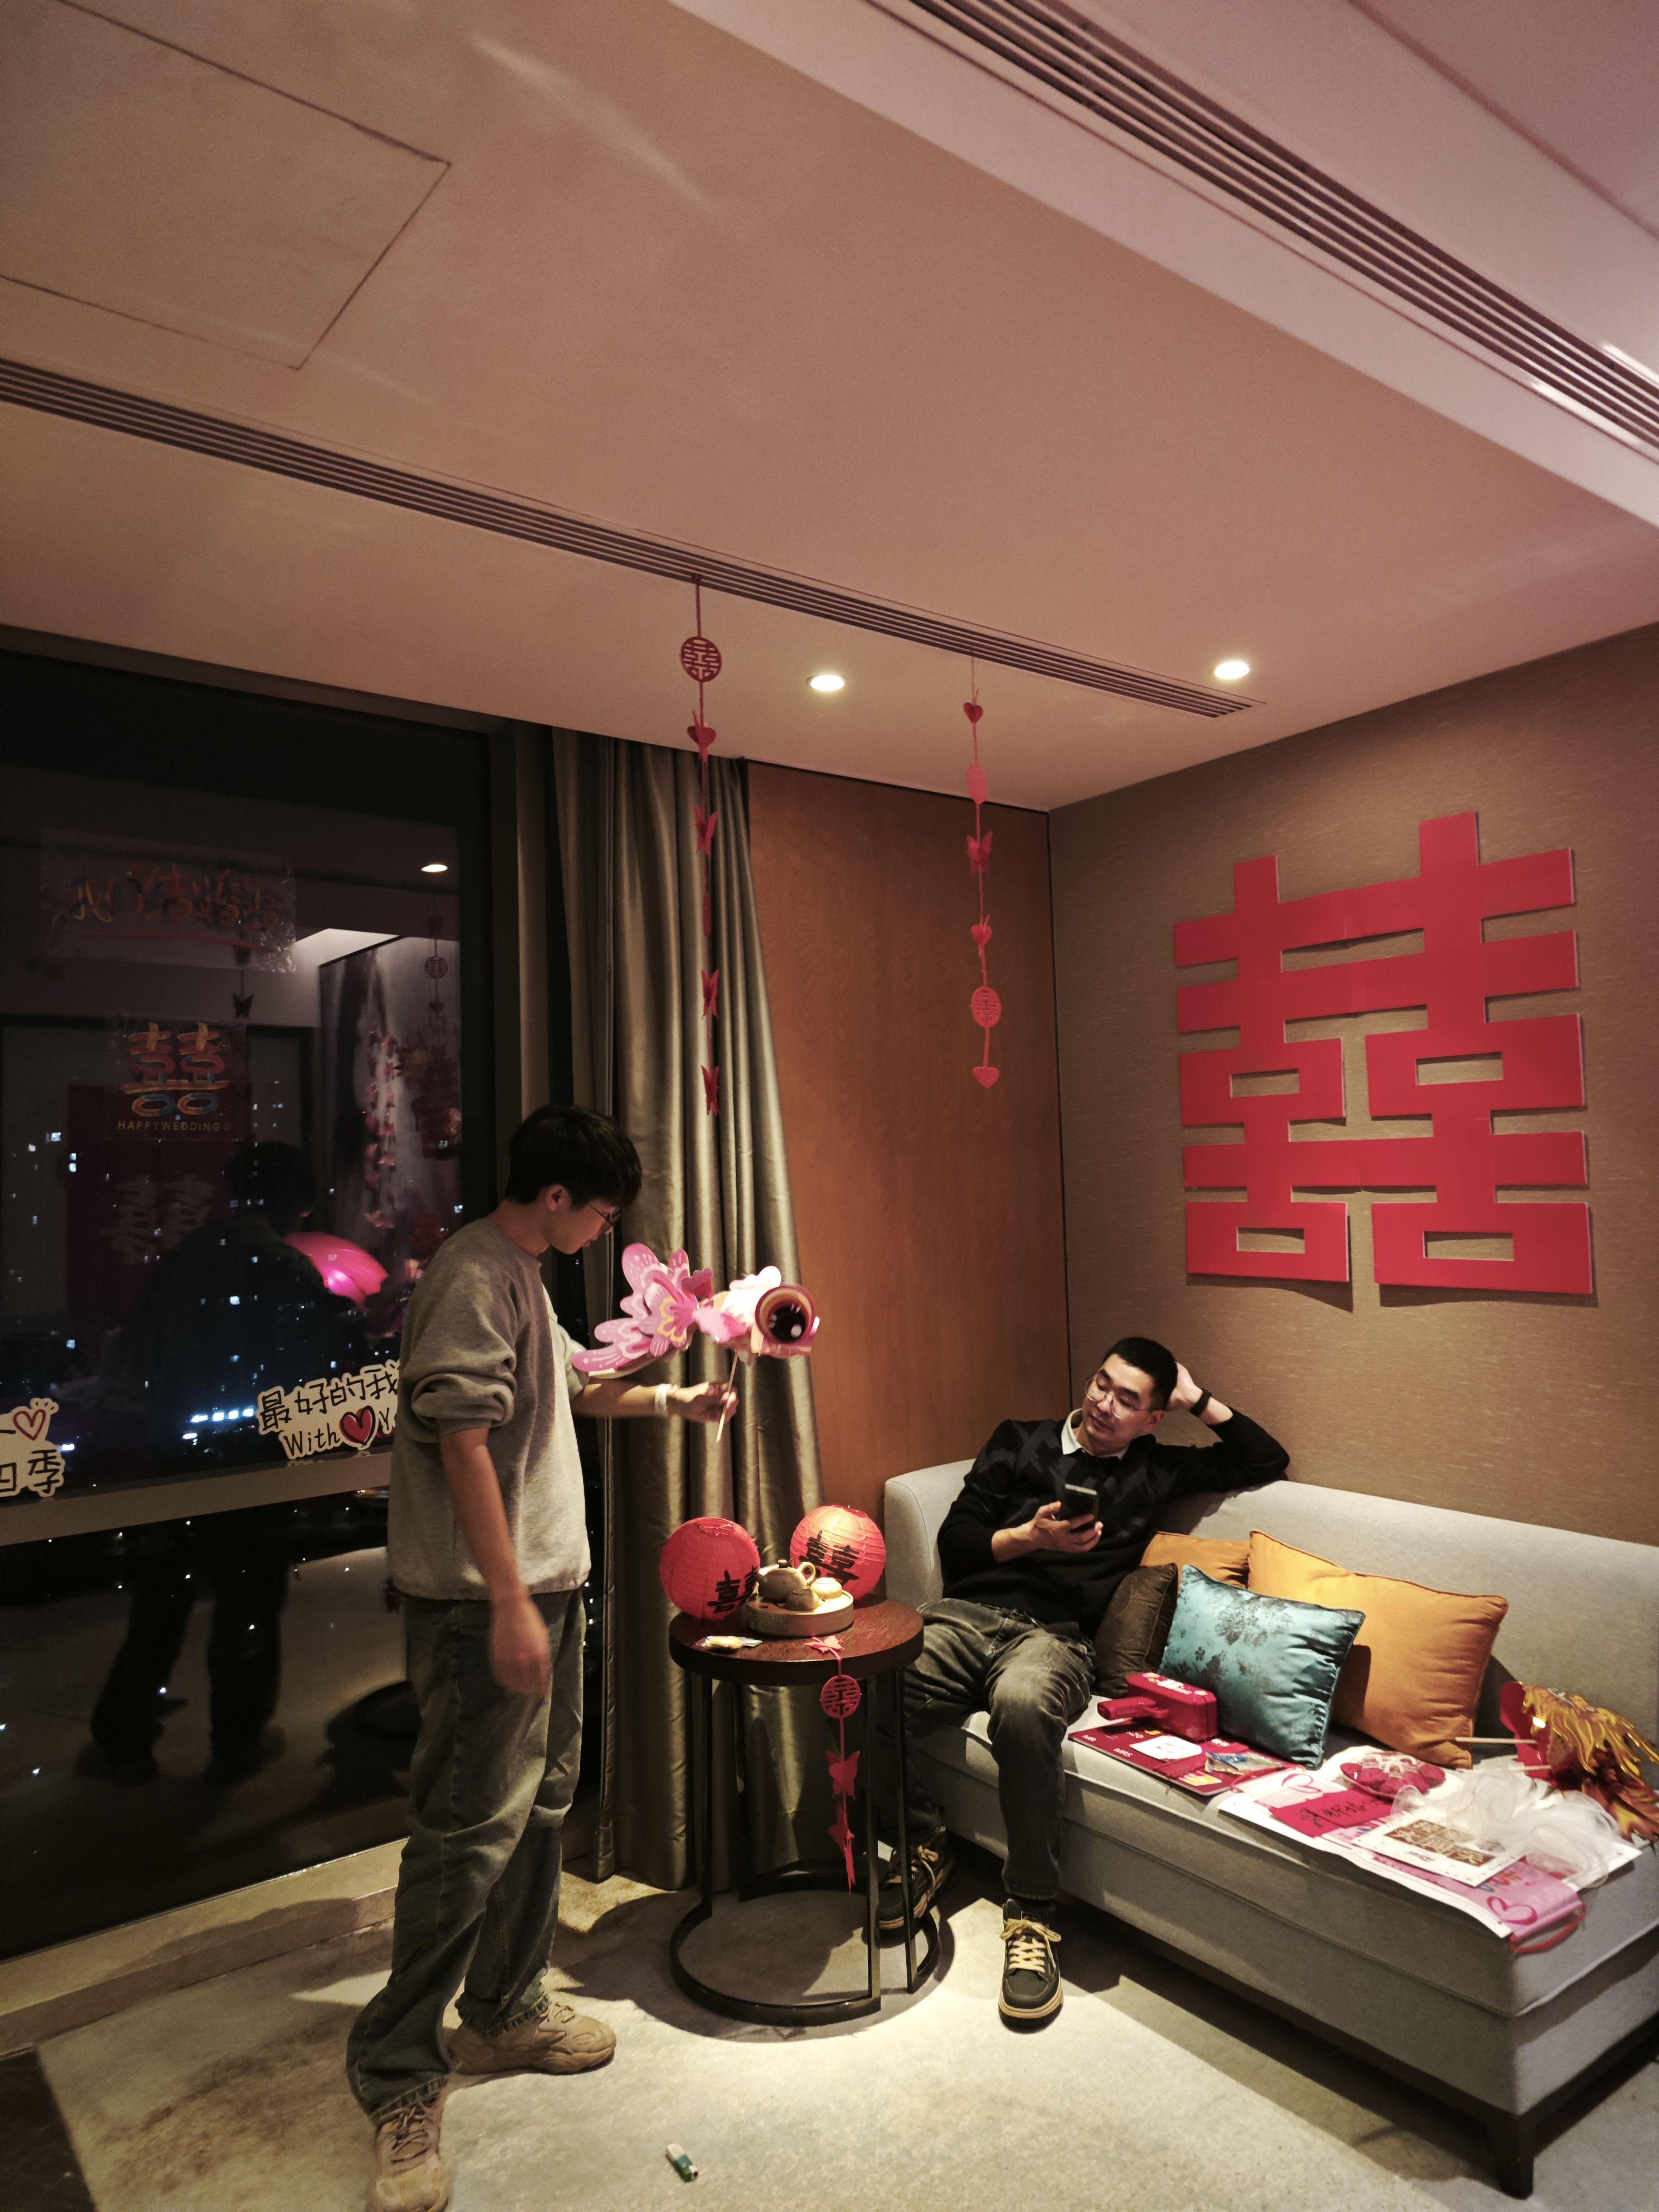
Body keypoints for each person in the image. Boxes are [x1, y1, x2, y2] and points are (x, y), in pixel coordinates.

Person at [346, 1104, 734, 2212]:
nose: (608, 1229)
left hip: (547, 1592)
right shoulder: (473, 1274)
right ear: (557, 1196)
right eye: (603, 1210)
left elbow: (572, 1386)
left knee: (539, 1807)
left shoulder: (523, 1272)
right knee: (466, 1831)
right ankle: (397, 2072)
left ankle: (505, 2009)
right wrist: (509, 1595)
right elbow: (460, 1439)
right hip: (485, 1605)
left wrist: (674, 1397)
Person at [872, 1337, 1287, 2028]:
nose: (1103, 1404)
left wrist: (1196, 1398)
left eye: (1128, 1399)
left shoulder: (1154, 1468)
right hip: (966, 1616)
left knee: (1022, 1704)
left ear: (1153, 1417)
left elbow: (1264, 1459)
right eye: (1102, 1383)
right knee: (864, 1680)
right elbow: (957, 1541)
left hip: (1054, 1639)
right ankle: (920, 1841)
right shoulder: (1019, 1439)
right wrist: (1028, 1538)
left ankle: (1031, 1914)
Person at [77, 1141, 365, 1786]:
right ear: (294, 1196)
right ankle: (236, 1742)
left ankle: (124, 1740)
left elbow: (137, 1344)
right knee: (248, 1606)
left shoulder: (188, 1254)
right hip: (249, 1461)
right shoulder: (284, 1266)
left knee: (160, 1603)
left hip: (173, 1451)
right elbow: (313, 1366)